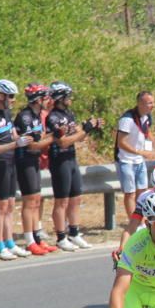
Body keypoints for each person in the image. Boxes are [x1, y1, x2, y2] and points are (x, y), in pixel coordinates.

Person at [47, 81, 103, 251]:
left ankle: (74, 232)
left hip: (72, 159)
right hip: (59, 160)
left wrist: (90, 127)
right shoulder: (53, 117)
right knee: (62, 201)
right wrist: (84, 130)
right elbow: (63, 142)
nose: (70, 99)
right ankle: (61, 236)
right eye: (68, 96)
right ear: (60, 98)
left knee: (76, 198)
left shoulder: (69, 114)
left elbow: (77, 135)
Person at [0, 79, 30, 260]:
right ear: (0, 95)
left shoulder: (7, 113)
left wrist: (24, 139)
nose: (13, 100)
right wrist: (14, 144)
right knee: (1, 205)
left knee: (10, 204)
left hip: (11, 162)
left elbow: (14, 136)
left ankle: (10, 242)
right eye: (10, 96)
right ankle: (0, 245)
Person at [14, 83, 57, 255]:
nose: (49, 101)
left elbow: (41, 138)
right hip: (25, 160)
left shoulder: (38, 115)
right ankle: (29, 240)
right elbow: (32, 145)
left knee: (37, 200)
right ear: (38, 99)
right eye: (46, 98)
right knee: (29, 201)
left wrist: (55, 134)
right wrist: (55, 136)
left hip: (34, 160)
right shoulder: (25, 117)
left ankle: (37, 238)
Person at [115, 91, 155, 217]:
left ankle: (142, 219)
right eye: (149, 103)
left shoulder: (147, 117)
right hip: (126, 161)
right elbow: (121, 142)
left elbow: (146, 132)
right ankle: (133, 221)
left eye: (153, 102)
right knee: (130, 193)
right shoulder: (127, 119)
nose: (152, 106)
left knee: (142, 191)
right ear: (140, 104)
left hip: (139, 161)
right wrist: (141, 152)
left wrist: (153, 145)